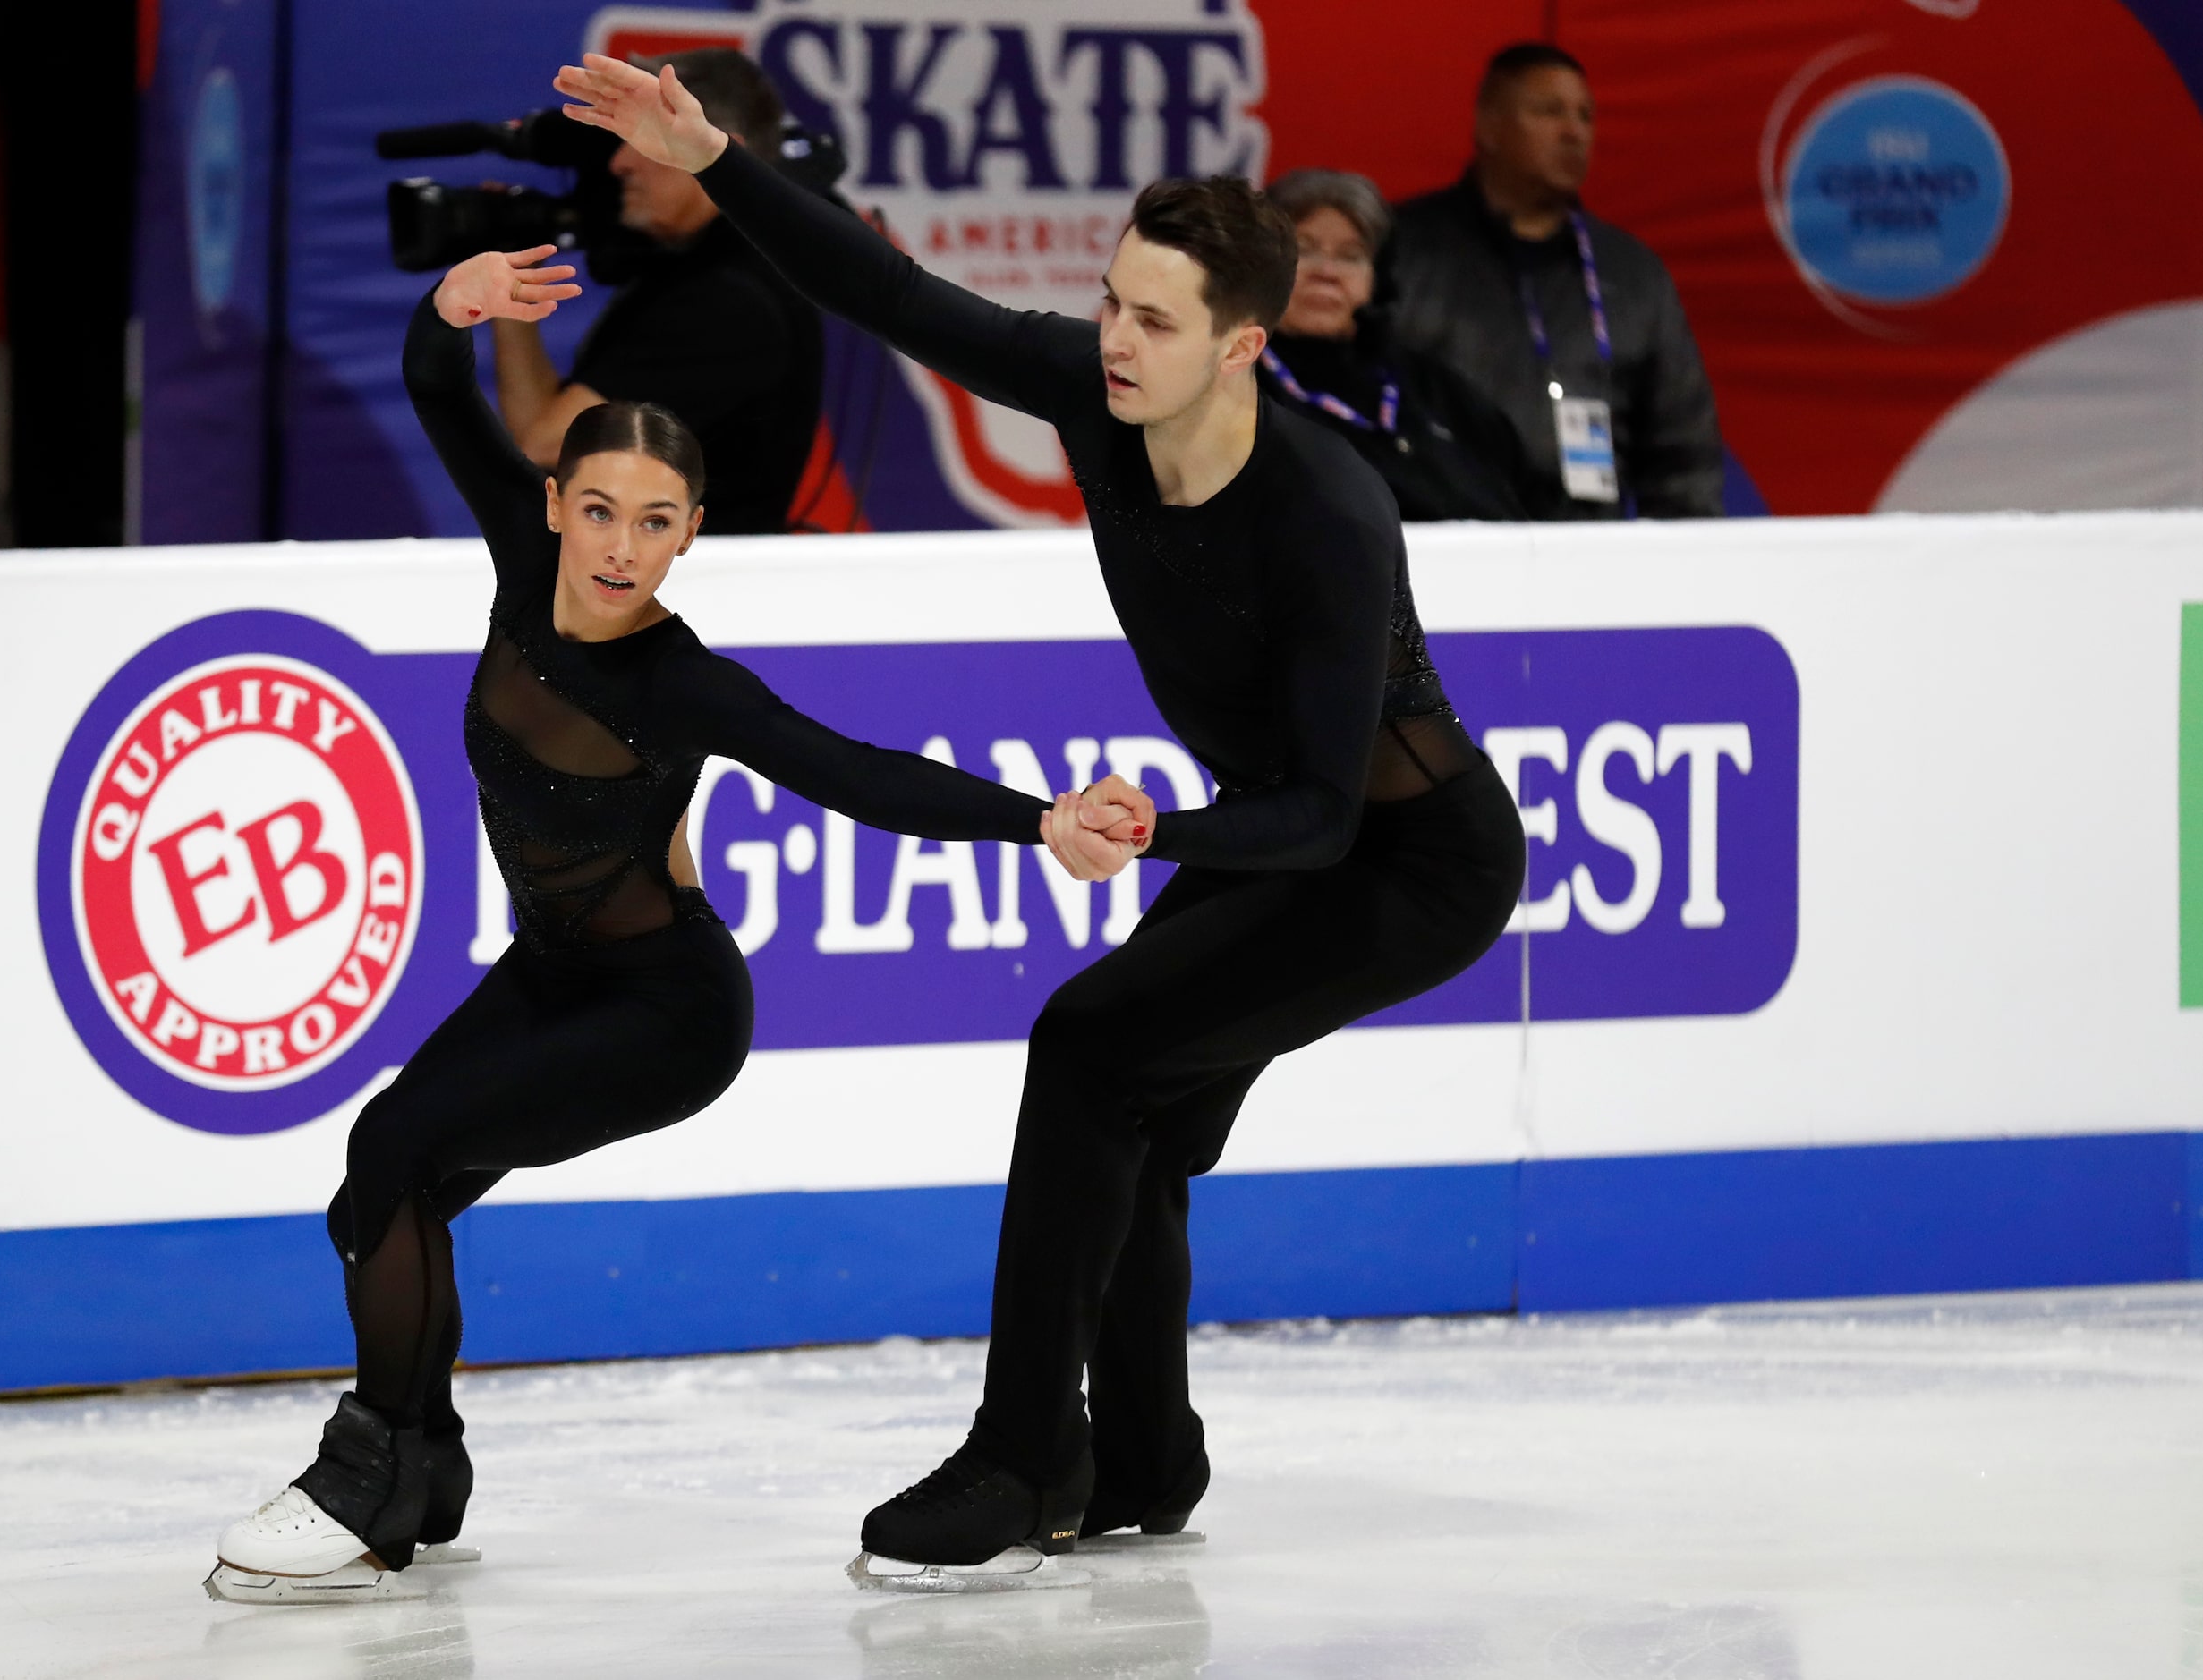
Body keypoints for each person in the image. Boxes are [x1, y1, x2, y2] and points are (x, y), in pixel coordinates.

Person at [555, 55, 1527, 1589]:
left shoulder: (1328, 517)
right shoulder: (1093, 390)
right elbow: (891, 293)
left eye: (1155, 321)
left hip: (1409, 863)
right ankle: (1143, 1455)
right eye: (1113, 303)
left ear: (1242, 347)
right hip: (1281, 834)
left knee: (1091, 1045)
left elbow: (1314, 814)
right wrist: (718, 161)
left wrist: (1154, 835)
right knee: (1130, 1088)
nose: (1115, 341)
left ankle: (1027, 1452)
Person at [204, 242, 1122, 1604]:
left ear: (692, 529)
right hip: (549, 969)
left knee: (396, 1145)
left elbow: (856, 772)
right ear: (559, 506)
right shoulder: (522, 562)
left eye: (656, 519)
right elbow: (440, 389)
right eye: (601, 510)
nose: (622, 546)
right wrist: (448, 306)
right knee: (387, 1184)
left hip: (664, 1009)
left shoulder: (682, 683)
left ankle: (375, 1465)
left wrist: (1038, 820)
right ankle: (426, 1459)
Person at [1382, 42, 1724, 519]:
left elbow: (1684, 452)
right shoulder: (1404, 250)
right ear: (1489, 127)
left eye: (1585, 117)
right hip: (1445, 549)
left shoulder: (1631, 272)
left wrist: (1684, 562)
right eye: (1549, 112)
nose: (1574, 133)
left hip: (1591, 555)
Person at [489, 48, 821, 535]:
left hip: (693, 595)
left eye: (645, 138)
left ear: (718, 150)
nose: (619, 163)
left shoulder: (727, 303)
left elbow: (546, 445)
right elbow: (538, 433)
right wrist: (510, 276)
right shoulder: (698, 271)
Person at [1263, 169, 1534, 522]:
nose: (1327, 272)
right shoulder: (1231, 394)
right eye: (1304, 251)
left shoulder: (1438, 393)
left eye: (1350, 256)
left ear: (1378, 279)